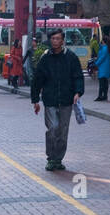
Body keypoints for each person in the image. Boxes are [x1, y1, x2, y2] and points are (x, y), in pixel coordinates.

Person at [29, 29, 83, 172]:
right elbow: (37, 80)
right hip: (50, 100)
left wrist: (78, 92)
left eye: (58, 38)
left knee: (63, 131)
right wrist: (35, 100)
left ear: (63, 41)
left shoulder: (71, 58)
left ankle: (58, 159)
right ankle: (51, 158)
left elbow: (78, 76)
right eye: (53, 38)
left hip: (66, 100)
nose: (55, 41)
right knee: (53, 127)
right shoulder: (45, 58)